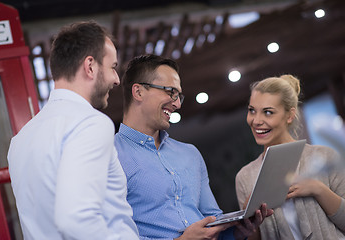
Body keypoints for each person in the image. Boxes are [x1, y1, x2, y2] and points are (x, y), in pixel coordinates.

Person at [114, 54, 272, 240]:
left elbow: (212, 220)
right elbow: (108, 234)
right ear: (138, 92)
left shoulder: (190, 154)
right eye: (170, 91)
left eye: (178, 95)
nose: (177, 104)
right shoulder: (109, 155)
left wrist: (239, 229)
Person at [7, 21, 139, 239]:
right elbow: (75, 219)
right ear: (90, 66)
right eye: (113, 67)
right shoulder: (90, 123)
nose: (117, 80)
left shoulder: (20, 141)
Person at [235, 74, 345, 239]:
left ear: (290, 115)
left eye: (268, 112)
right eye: (252, 111)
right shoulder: (245, 177)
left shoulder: (324, 156)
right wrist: (249, 217)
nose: (256, 121)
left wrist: (318, 189)